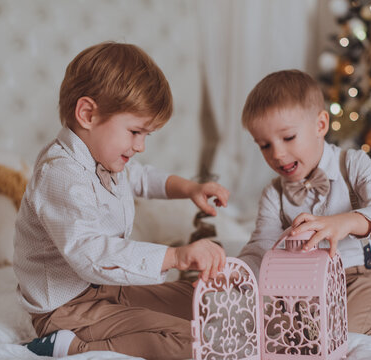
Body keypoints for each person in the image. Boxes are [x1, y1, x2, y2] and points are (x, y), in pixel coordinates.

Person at [14, 42, 229, 360]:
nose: (140, 146)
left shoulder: (104, 156)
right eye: (135, 132)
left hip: (106, 289)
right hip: (66, 309)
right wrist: (176, 257)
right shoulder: (60, 174)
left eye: (146, 135)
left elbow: (143, 178)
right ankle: (68, 345)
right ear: (87, 114)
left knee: (201, 298)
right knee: (192, 343)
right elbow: (90, 254)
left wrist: (190, 189)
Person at [237, 69, 371, 335]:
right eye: (264, 145)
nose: (277, 154)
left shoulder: (352, 164)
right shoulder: (274, 193)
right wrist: (239, 273)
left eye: (288, 137)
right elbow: (261, 246)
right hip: (303, 282)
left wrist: (347, 222)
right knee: (276, 334)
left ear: (320, 125)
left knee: (347, 338)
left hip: (361, 275)